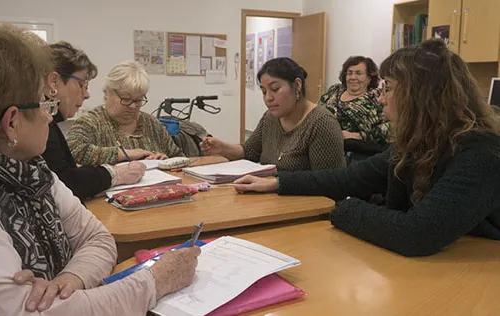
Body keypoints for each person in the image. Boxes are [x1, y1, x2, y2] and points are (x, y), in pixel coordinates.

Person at [0, 20, 200, 315]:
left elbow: (98, 238)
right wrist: (155, 281)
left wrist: (69, 280)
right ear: (12, 122)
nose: (49, 117)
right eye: (45, 104)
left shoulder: (34, 171)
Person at [232, 39, 500, 257]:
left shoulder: (481, 152)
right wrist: (278, 183)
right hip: (436, 266)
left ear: (420, 96)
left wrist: (343, 208)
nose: (381, 98)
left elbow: (417, 234)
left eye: (389, 88)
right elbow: (349, 177)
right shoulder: (417, 144)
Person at [42, 41, 145, 202]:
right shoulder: (42, 124)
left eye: (138, 100)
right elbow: (62, 182)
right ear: (53, 82)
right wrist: (114, 174)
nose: (87, 94)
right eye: (82, 84)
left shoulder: (50, 123)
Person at [201, 57, 345, 171]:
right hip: (272, 199)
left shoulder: (321, 123)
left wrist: (277, 184)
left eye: (275, 89)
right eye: (264, 91)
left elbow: (329, 182)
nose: (268, 98)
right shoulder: (270, 118)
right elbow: (249, 152)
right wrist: (222, 148)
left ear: (297, 85)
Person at [67, 60, 184, 166]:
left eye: (138, 100)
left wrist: (165, 161)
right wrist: (123, 154)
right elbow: (73, 150)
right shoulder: (90, 123)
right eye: (126, 99)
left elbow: (179, 157)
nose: (133, 106)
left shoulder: (152, 124)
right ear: (107, 93)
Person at [319, 56, 390, 162]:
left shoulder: (377, 97)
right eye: (349, 73)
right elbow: (316, 112)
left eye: (358, 73)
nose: (353, 77)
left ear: (369, 77)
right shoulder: (335, 90)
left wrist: (358, 135)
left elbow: (390, 127)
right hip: (324, 146)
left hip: (357, 154)